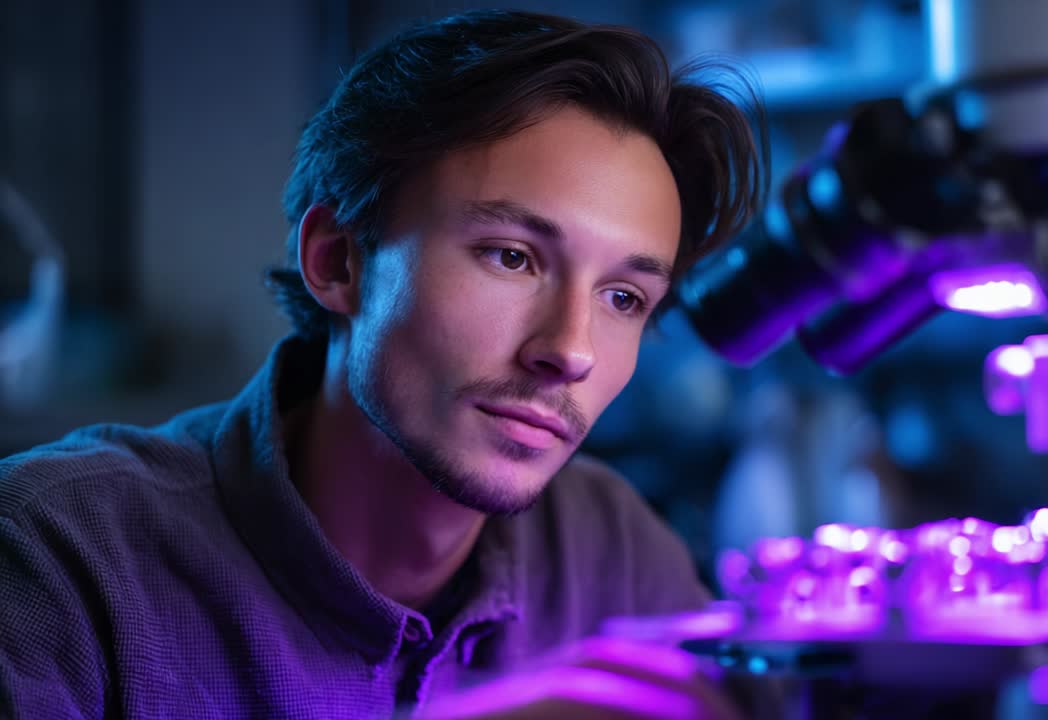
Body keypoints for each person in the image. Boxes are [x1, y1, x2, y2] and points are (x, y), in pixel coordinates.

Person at [0, 9, 766, 719]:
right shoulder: (61, 556)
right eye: (512, 257)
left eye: (625, 298)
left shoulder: (613, 553)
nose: (570, 350)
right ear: (337, 260)